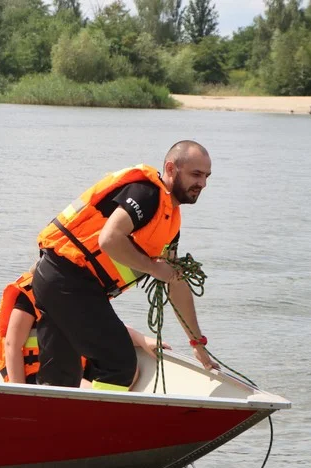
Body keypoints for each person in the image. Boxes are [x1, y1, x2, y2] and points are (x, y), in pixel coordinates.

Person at [33, 140, 220, 391]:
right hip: (66, 279)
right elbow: (109, 239)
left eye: (206, 176)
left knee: (60, 379)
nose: (202, 184)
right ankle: (99, 424)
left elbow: (175, 283)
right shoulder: (146, 195)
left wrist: (197, 343)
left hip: (63, 284)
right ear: (171, 168)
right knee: (119, 363)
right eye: (195, 174)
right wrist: (154, 268)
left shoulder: (170, 222)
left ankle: (53, 424)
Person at [0, 267, 170, 385]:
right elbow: (12, 344)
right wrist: (22, 394)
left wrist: (142, 339)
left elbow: (106, 328)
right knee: (86, 385)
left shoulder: (78, 291)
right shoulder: (31, 293)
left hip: (73, 366)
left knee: (127, 366)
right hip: (38, 377)